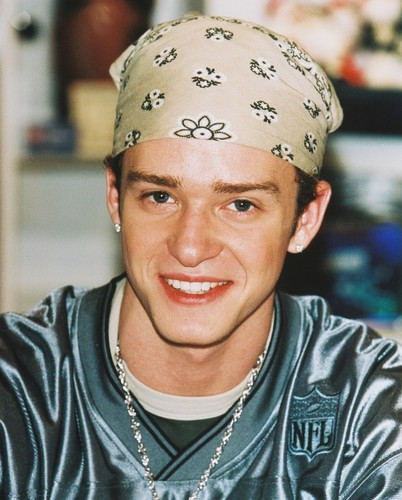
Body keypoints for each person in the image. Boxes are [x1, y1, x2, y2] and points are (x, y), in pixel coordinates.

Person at [1, 15, 401, 499]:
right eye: (160, 197)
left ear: (305, 219)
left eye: (240, 205)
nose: (190, 247)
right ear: (115, 197)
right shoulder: (23, 388)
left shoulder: (368, 407)